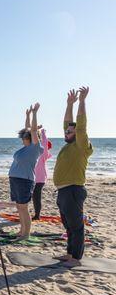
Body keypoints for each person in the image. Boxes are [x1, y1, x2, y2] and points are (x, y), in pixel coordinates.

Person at [53, 87, 93, 268]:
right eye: (66, 131)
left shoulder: (80, 145)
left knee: (76, 226)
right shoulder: (70, 144)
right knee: (68, 226)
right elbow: (67, 122)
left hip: (74, 190)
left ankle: (76, 258)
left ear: (77, 135)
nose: (66, 132)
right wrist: (69, 104)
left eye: (69, 132)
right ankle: (70, 254)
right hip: (63, 191)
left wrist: (82, 102)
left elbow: (80, 125)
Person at [8, 103, 43, 241]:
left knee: (23, 208)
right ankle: (22, 231)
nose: (23, 138)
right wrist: (27, 116)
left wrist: (34, 113)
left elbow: (33, 130)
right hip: (16, 179)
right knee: (19, 207)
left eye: (25, 137)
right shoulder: (25, 147)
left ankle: (26, 234)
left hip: (25, 180)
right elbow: (28, 129)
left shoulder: (35, 147)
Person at [32, 128, 52, 220]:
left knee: (36, 196)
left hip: (40, 179)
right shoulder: (35, 151)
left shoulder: (43, 154)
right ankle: (36, 214)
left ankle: (37, 215)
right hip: (33, 177)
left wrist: (43, 132)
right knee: (34, 196)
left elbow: (44, 142)